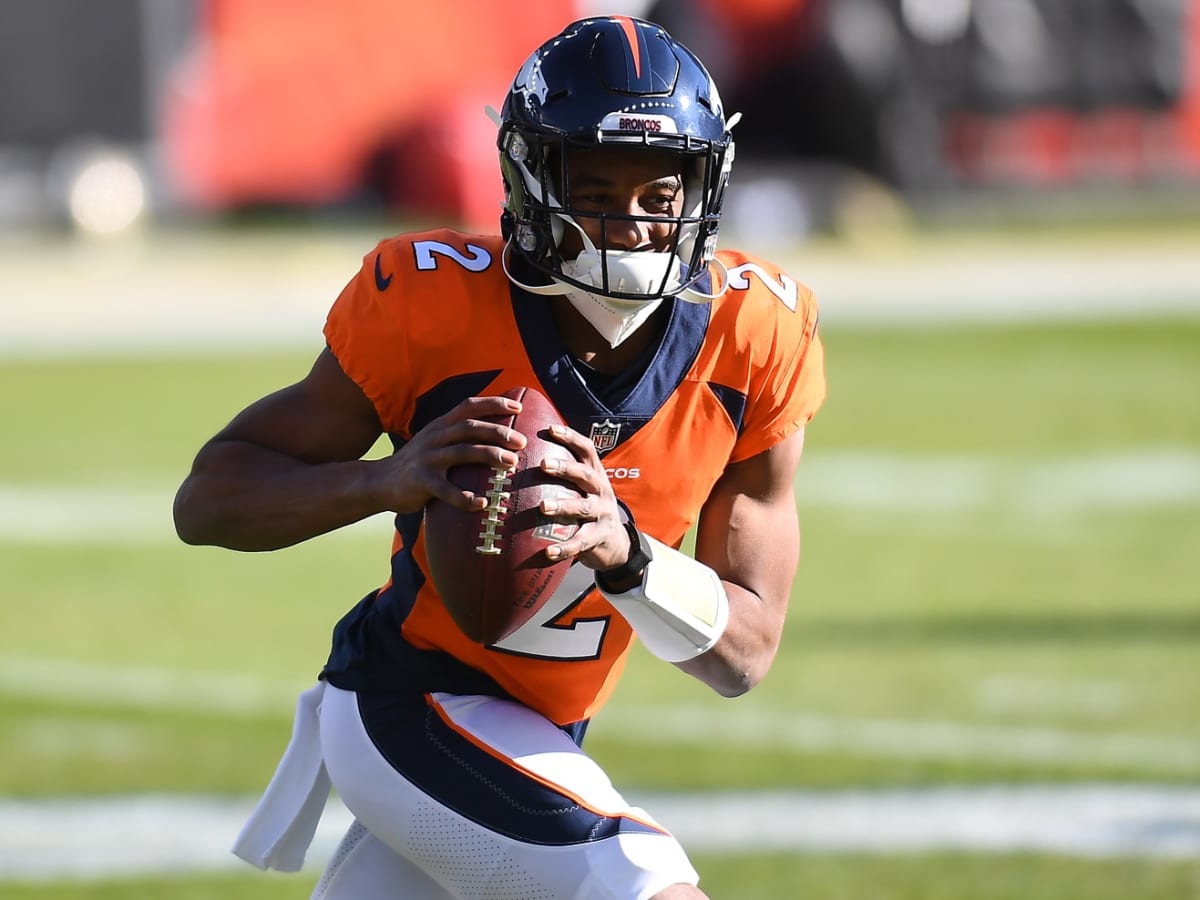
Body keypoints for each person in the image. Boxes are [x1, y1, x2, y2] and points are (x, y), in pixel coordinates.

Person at [173, 14, 826, 899]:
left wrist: (629, 557)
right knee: (644, 884)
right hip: (405, 703)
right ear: (531, 181)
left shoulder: (757, 334)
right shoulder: (433, 302)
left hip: (539, 737)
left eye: (658, 194)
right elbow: (208, 499)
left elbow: (744, 655)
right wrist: (384, 481)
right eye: (596, 189)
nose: (630, 225)